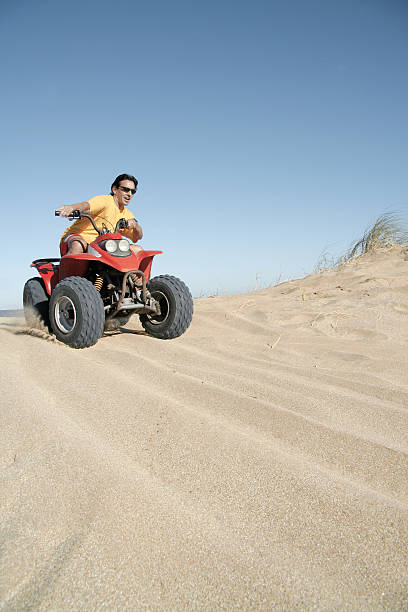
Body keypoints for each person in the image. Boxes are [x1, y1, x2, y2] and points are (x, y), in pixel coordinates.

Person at [56, 173, 143, 256]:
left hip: (104, 245)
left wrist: (135, 225)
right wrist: (72, 207)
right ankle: (69, 271)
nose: (129, 194)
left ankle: (134, 272)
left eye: (133, 191)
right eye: (126, 189)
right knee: (78, 245)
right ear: (115, 189)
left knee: (138, 250)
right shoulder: (105, 201)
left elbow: (138, 237)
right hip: (78, 237)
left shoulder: (127, 214)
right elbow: (86, 206)